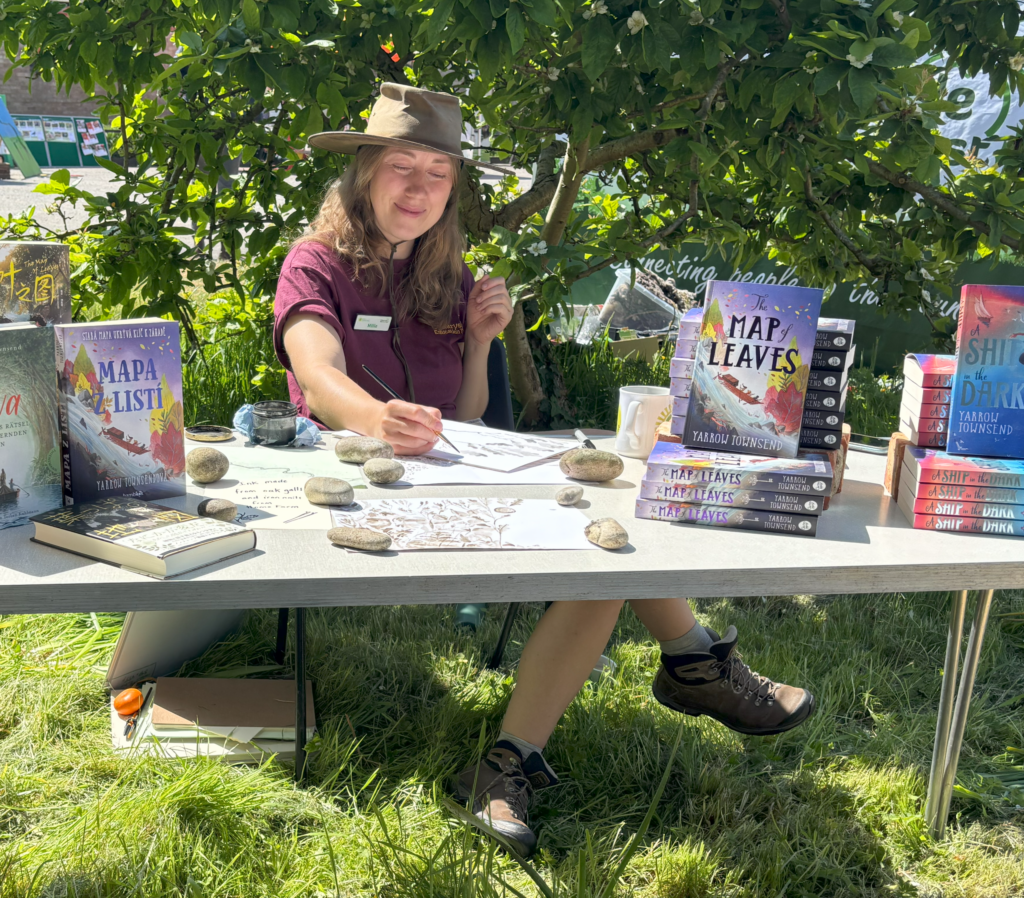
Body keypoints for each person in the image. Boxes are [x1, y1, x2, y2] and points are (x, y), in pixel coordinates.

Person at [275, 83, 815, 859]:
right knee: (596, 544)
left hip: (446, 475)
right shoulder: (315, 263)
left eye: (438, 171)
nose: (420, 186)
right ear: (363, 173)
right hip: (352, 485)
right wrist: (372, 418)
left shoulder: (449, 276)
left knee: (605, 531)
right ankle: (694, 662)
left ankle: (508, 766)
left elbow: (466, 418)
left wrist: (480, 344)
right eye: (402, 165)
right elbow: (317, 373)